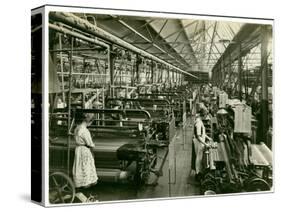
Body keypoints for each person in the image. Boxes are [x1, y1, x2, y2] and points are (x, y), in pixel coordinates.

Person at [72, 113, 98, 189]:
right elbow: (90, 144)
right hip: (84, 150)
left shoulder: (77, 128)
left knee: (79, 166)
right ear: (89, 121)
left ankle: (80, 183)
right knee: (85, 166)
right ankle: (86, 184)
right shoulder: (85, 130)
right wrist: (93, 152)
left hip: (78, 149)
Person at [192, 108, 212, 181]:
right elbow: (198, 136)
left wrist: (208, 137)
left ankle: (199, 172)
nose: (206, 117)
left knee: (199, 158)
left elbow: (202, 132)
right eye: (206, 115)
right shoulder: (198, 122)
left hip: (200, 142)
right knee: (198, 158)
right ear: (203, 115)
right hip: (198, 142)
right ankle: (197, 174)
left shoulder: (200, 120)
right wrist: (205, 144)